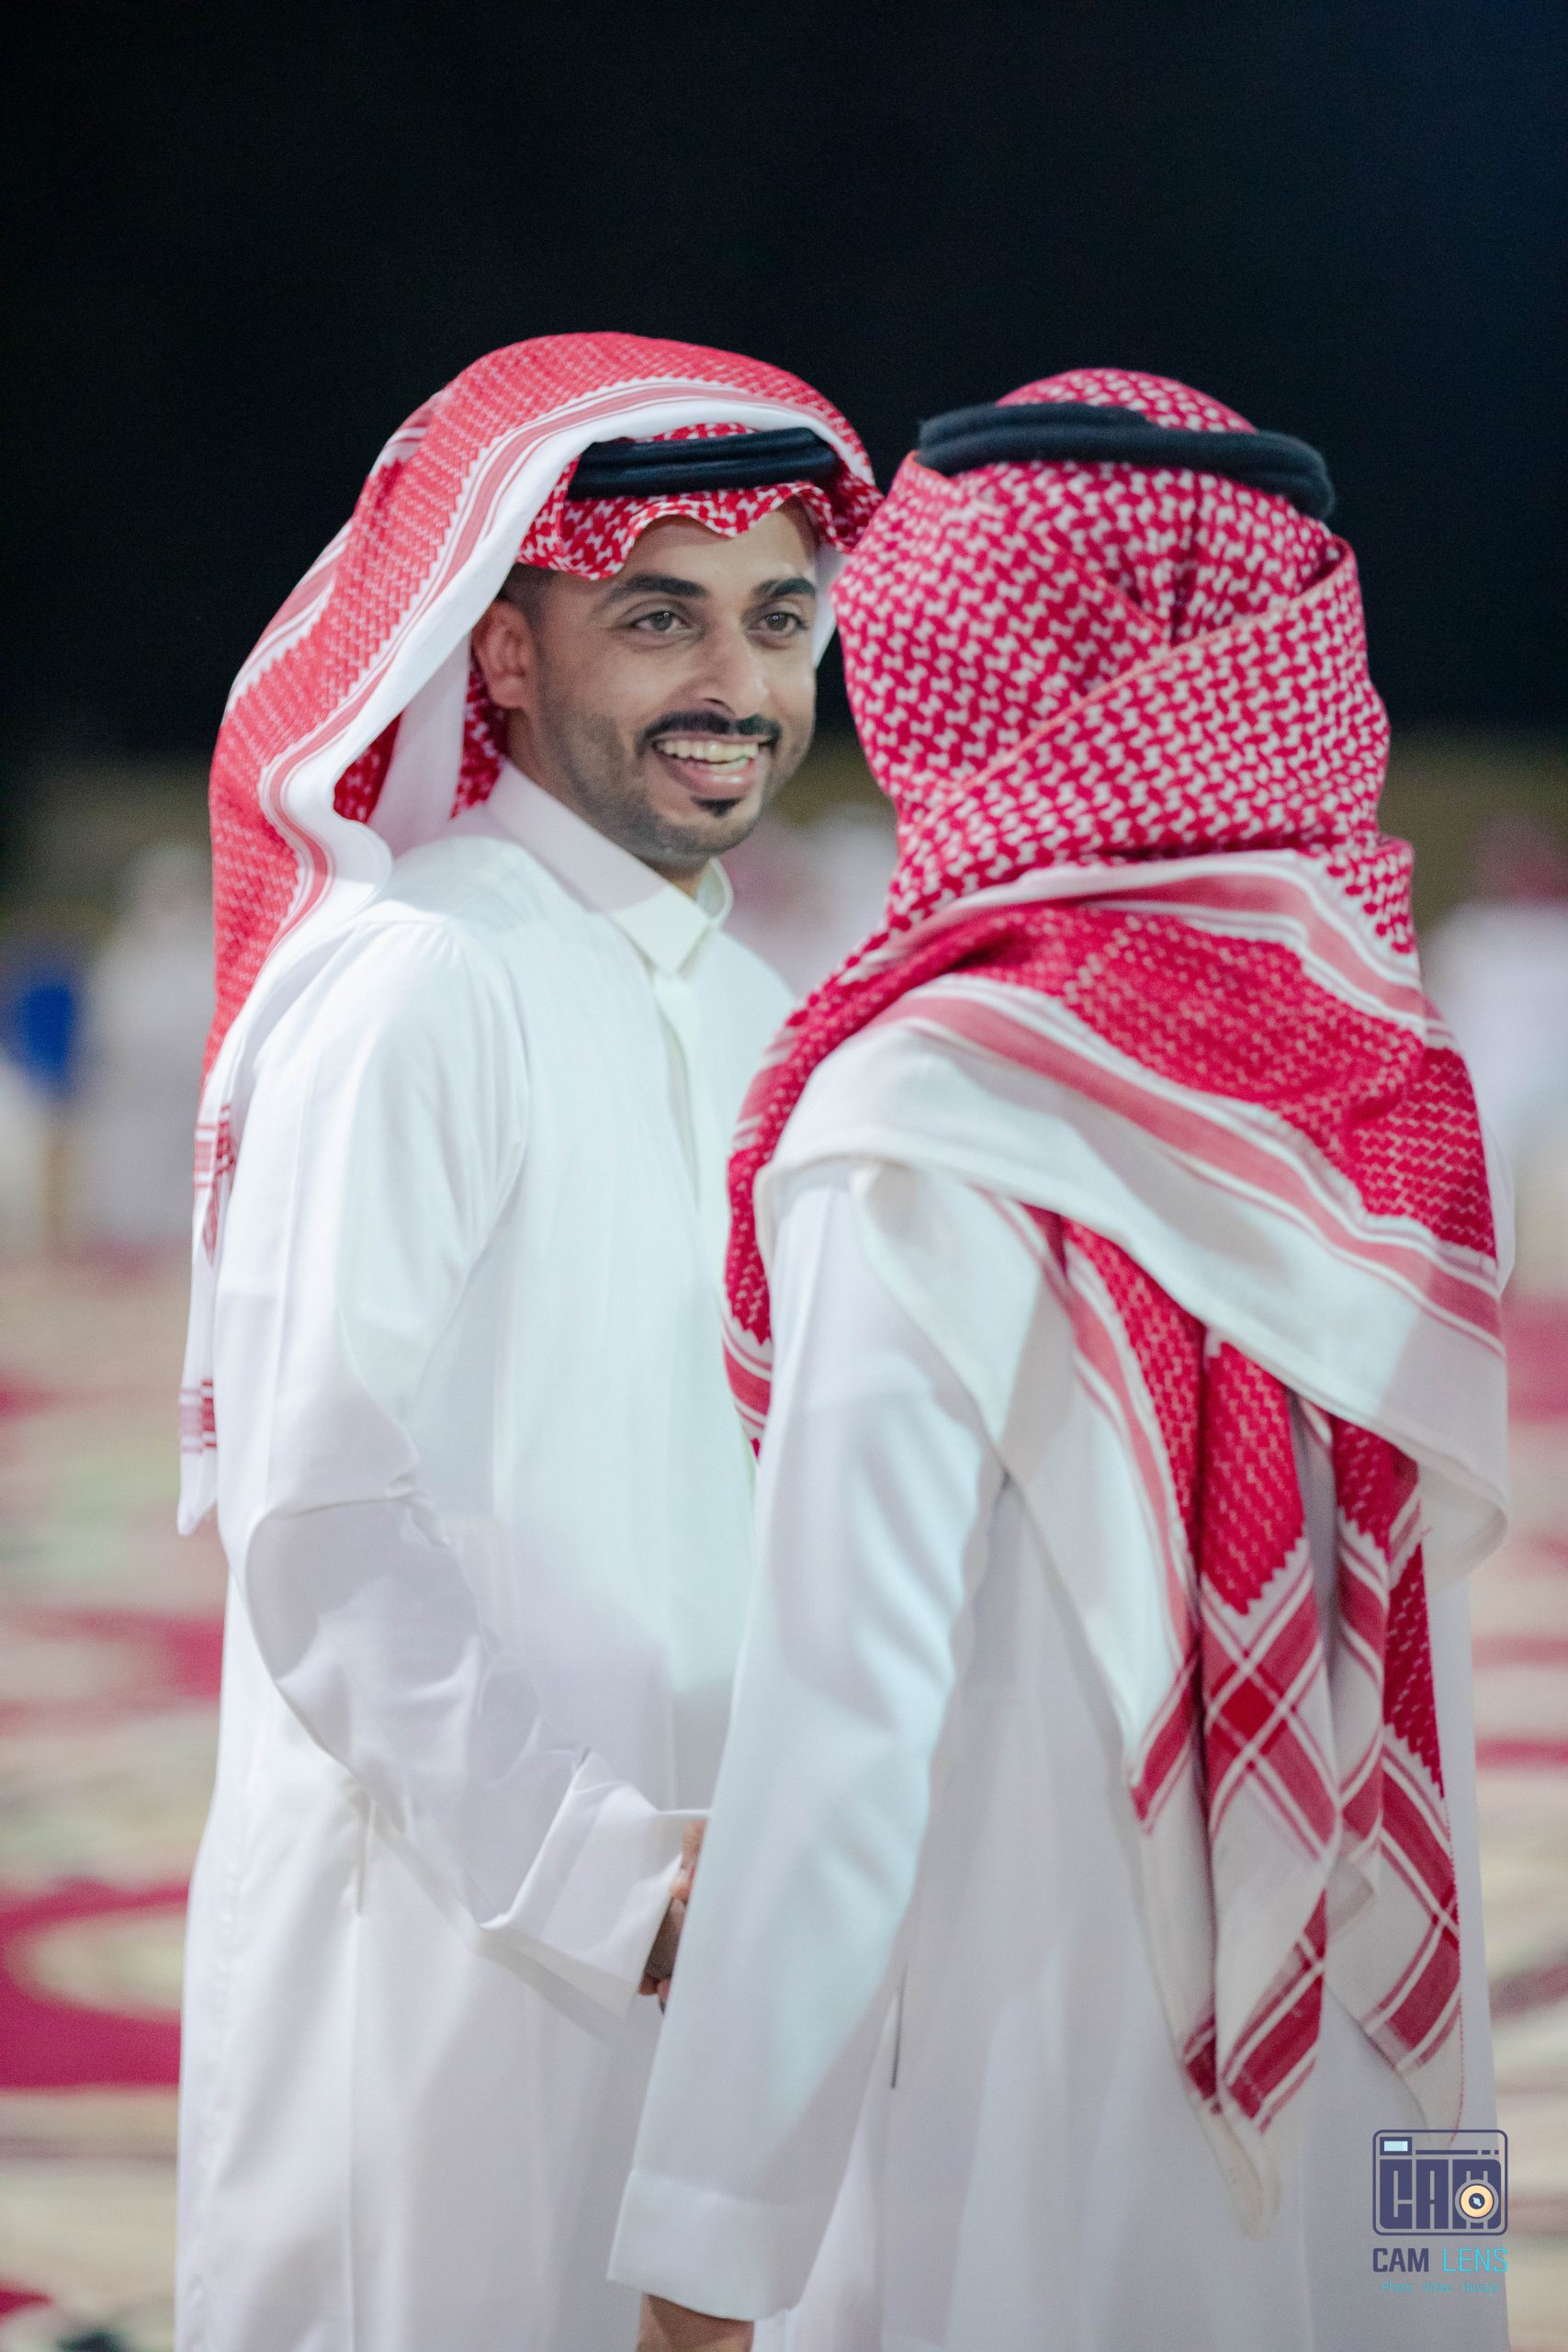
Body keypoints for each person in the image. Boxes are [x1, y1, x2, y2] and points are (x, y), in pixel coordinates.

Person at [611, 371, 1512, 2352]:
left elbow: (841, 1726)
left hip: (1050, 2042)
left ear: (963, 668)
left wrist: (708, 2242)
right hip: (1380, 2016)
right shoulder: (1398, 1077)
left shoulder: (928, 1110)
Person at [174, 334, 877, 2352]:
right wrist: (603, 1876)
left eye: (776, 620)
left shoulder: (755, 1011)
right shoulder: (421, 976)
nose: (734, 683)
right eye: (658, 618)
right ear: (501, 653)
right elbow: (318, 1515)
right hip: (450, 1944)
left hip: (712, 1939)